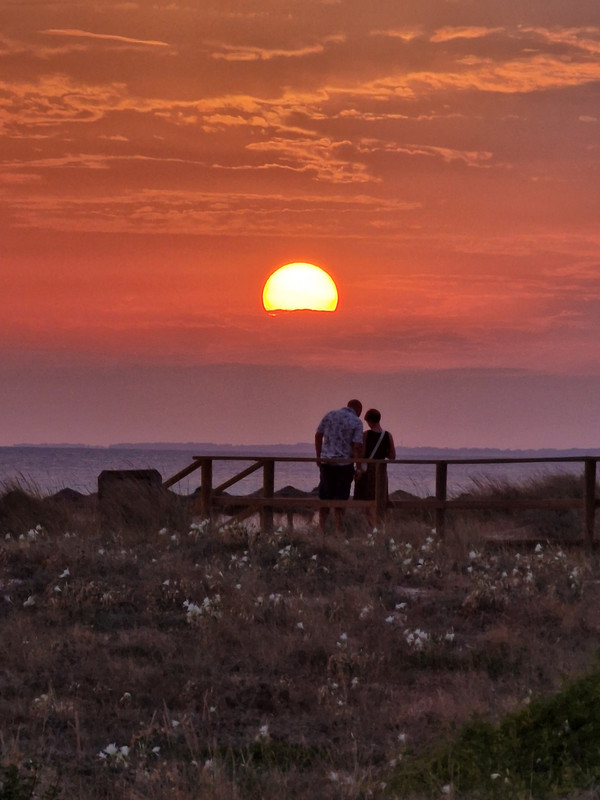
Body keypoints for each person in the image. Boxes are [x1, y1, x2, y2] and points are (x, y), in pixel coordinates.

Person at [315, 399, 364, 532]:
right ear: (358, 409)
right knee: (341, 497)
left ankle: (321, 528)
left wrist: (318, 456)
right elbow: (357, 446)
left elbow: (318, 435)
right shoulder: (356, 421)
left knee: (324, 496)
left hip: (327, 462)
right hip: (344, 464)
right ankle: (339, 529)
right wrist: (359, 467)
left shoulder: (330, 414)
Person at [353, 408, 396, 524]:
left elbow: (362, 454)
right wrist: (382, 452)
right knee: (380, 499)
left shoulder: (365, 435)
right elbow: (392, 456)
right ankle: (380, 525)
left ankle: (371, 526)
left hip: (368, 471)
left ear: (369, 420)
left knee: (367, 502)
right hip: (381, 471)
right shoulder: (388, 435)